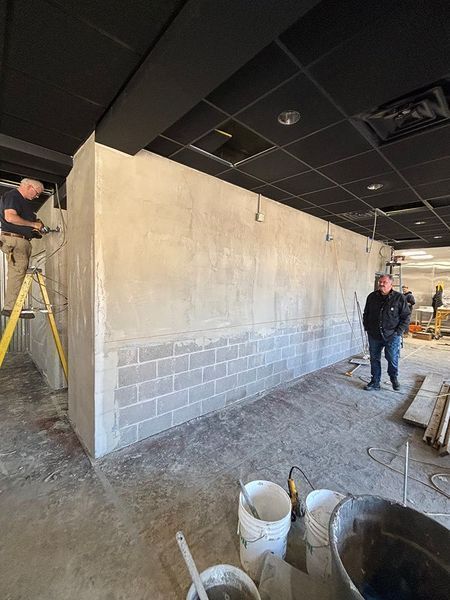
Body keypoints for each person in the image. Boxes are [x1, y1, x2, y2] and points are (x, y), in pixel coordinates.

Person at [0, 178, 45, 319]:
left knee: (19, 272)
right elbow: (10, 217)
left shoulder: (22, 202)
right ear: (29, 186)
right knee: (17, 272)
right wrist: (33, 225)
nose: (36, 197)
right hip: (15, 240)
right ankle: (10, 308)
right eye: (37, 193)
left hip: (21, 239)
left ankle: (13, 306)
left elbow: (23, 224)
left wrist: (36, 230)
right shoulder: (14, 196)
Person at [362, 274, 411, 391]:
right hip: (374, 335)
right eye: (380, 282)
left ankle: (393, 378)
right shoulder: (372, 297)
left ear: (391, 284)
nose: (381, 284)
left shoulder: (399, 298)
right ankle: (375, 382)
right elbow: (366, 313)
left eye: (384, 282)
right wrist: (367, 327)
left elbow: (406, 317)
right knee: (374, 358)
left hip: (392, 335)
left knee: (392, 358)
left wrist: (398, 332)